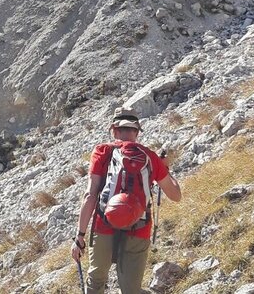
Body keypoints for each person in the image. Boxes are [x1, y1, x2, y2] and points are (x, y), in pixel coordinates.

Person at [71, 108, 182, 293]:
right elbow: (175, 196)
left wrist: (79, 236)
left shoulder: (102, 151)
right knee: (131, 289)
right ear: (137, 132)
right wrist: (165, 168)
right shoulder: (150, 157)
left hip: (104, 225)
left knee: (96, 281)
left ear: (114, 130)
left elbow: (90, 195)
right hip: (139, 227)